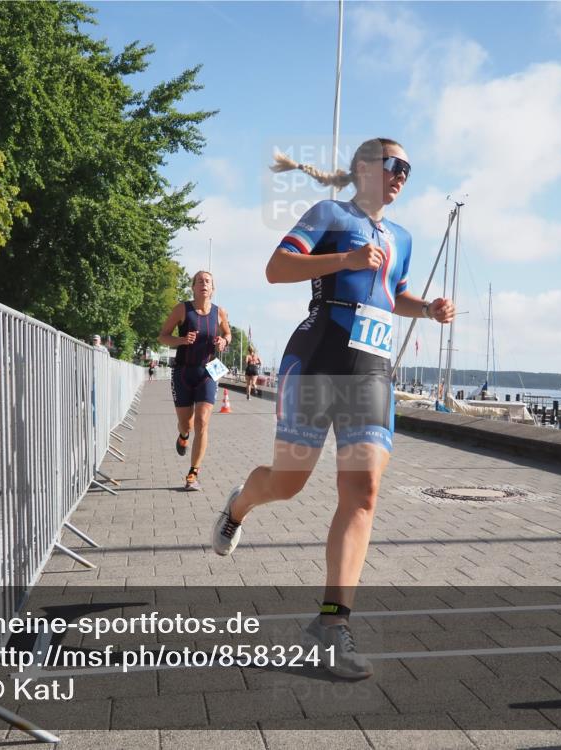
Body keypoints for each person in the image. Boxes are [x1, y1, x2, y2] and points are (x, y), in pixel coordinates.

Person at [210, 138, 454, 679]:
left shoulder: (404, 237)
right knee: (288, 482)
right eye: (394, 165)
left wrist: (429, 309)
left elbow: (394, 293)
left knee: (363, 491)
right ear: (364, 168)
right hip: (319, 353)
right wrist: (344, 257)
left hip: (370, 366)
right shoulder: (329, 214)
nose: (402, 176)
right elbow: (278, 268)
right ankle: (237, 507)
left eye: (409, 169)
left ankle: (330, 624)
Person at [158, 270, 232, 491]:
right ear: (193, 286)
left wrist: (223, 342)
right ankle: (183, 435)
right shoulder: (182, 309)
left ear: (213, 288)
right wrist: (181, 339)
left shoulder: (220, 313)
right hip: (183, 372)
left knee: (202, 421)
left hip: (209, 371)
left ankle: (193, 473)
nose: (203, 284)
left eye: (207, 281)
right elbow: (162, 336)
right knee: (186, 423)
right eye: (199, 281)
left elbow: (228, 334)